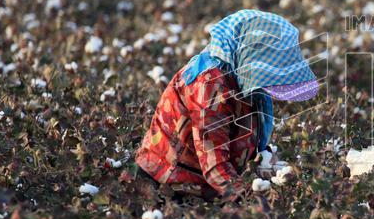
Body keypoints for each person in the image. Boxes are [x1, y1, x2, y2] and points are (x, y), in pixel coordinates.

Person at [135, 10, 319, 198]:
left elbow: (242, 134)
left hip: (206, 180)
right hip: (168, 184)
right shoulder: (210, 87)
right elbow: (214, 164)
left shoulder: (242, 77)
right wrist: (251, 200)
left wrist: (269, 166)